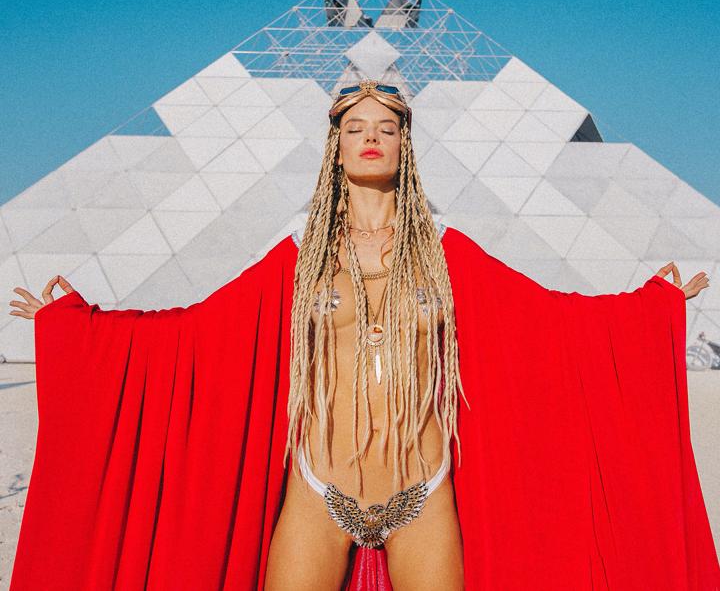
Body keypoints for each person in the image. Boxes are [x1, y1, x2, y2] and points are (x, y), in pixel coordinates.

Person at [7, 80, 720, 591]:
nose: (371, 138)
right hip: (319, 489)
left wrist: (645, 311)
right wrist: (80, 329)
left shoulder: (448, 252)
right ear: (334, 146)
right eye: (355, 127)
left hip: (422, 489)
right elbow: (194, 337)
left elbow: (552, 326)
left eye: (386, 127)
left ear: (406, 143)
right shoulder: (298, 256)